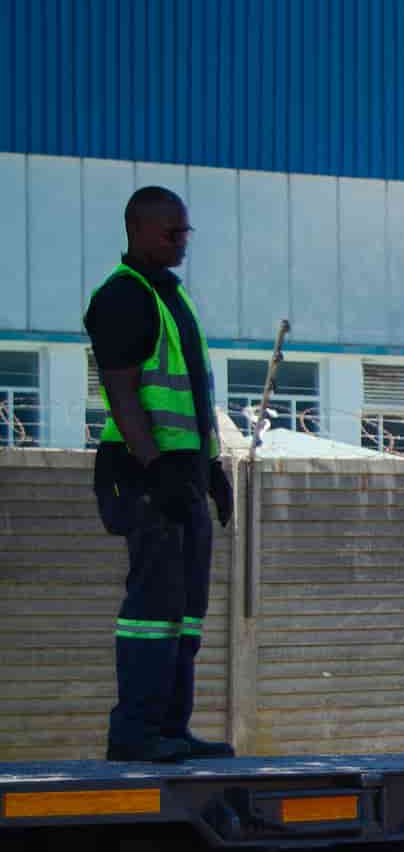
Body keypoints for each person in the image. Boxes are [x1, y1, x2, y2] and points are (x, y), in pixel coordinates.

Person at [84, 186, 235, 763]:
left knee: (186, 609)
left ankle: (171, 728)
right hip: (145, 472)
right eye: (171, 231)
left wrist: (212, 467)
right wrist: (157, 470)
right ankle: (135, 731)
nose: (181, 240)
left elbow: (191, 395)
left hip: (184, 471)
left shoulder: (172, 296)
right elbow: (122, 395)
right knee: (152, 607)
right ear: (137, 229)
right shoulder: (123, 296)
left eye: (185, 231)